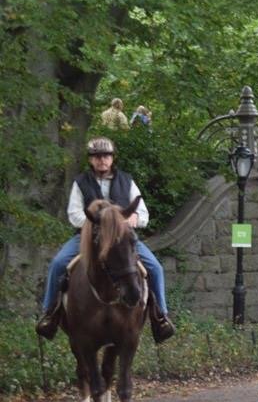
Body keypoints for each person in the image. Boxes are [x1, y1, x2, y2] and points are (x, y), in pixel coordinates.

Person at [36, 136, 176, 343]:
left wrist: (134, 219)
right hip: (89, 237)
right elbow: (74, 214)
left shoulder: (127, 181)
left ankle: (161, 317)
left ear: (112, 158)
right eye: (97, 156)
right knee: (58, 264)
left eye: (106, 156)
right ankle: (50, 314)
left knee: (155, 268)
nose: (102, 160)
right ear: (90, 160)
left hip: (121, 239)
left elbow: (143, 214)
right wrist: (100, 224)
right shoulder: (80, 182)